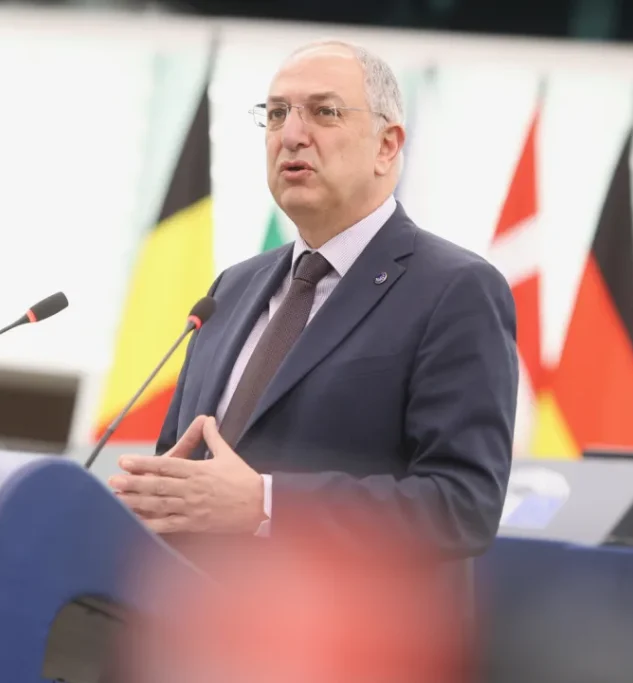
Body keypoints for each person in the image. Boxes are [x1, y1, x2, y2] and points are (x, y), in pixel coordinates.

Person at [108, 40, 517, 584]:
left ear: (387, 146)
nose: (291, 135)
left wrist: (265, 504)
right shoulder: (231, 288)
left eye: (324, 112)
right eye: (277, 113)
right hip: (194, 621)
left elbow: (463, 505)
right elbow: (183, 480)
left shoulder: (456, 290)